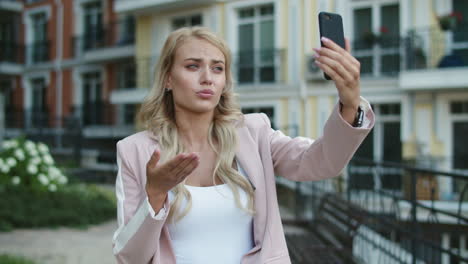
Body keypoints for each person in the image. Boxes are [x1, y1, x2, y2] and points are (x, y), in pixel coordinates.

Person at [112, 27, 374, 264]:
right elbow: (130, 258)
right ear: (168, 79)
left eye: (217, 68)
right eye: (193, 66)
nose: (207, 78)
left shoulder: (254, 133)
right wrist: (155, 195)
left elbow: (322, 163)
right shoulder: (135, 151)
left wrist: (350, 104)